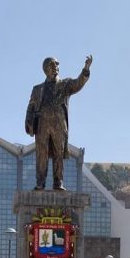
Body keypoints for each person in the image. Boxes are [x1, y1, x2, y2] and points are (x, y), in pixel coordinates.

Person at [25, 55, 92, 191]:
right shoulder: (37, 89)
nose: (56, 67)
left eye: (57, 64)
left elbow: (78, 83)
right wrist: (29, 123)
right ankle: (40, 182)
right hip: (42, 123)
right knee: (41, 154)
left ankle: (58, 182)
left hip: (59, 123)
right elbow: (31, 107)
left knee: (58, 153)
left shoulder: (65, 84)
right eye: (53, 65)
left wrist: (85, 69)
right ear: (46, 69)